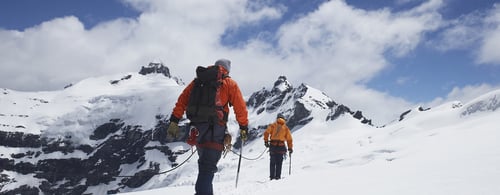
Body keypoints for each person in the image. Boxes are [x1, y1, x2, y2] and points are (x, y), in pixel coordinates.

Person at [166, 59, 249, 195]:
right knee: (207, 168)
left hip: (197, 130)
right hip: (215, 131)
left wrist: (174, 120)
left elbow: (182, 100)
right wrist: (244, 127)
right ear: (227, 69)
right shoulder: (229, 83)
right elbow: (240, 108)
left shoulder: (198, 81)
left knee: (204, 165)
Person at [263, 113, 293, 180]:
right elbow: (289, 139)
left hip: (273, 146)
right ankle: (277, 177)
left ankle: (272, 177)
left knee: (272, 162)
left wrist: (266, 141)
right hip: (281, 147)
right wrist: (290, 148)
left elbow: (266, 133)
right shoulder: (285, 128)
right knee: (279, 163)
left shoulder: (273, 125)